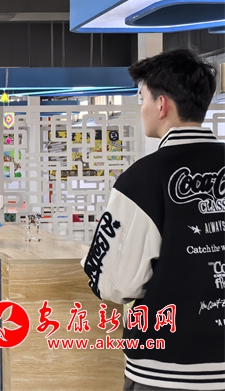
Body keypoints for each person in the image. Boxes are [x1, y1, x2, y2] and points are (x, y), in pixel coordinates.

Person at [82, 48, 225, 391]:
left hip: (165, 367)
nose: (141, 107)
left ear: (161, 105)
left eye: (141, 98)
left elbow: (114, 284)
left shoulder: (141, 179)